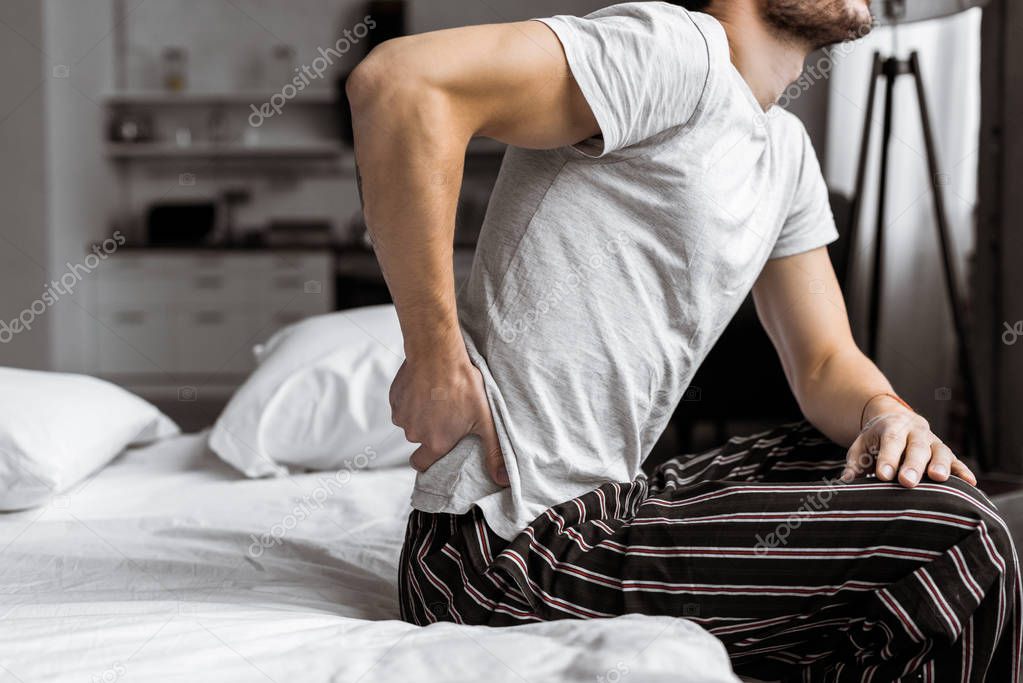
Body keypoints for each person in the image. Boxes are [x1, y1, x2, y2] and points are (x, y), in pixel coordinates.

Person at [346, 0, 1020, 679]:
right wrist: (435, 358)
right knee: (957, 539)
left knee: (861, 454)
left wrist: (885, 410)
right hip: (501, 551)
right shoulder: (679, 51)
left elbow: (823, 362)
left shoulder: (782, 148)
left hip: (609, 505)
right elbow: (399, 83)